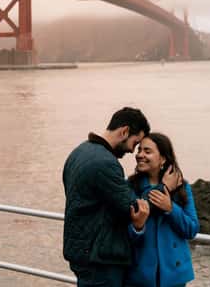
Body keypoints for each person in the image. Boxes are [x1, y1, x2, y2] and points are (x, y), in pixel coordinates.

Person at [63, 107, 152, 286]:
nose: (132, 151)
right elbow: (132, 208)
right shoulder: (106, 163)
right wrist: (164, 188)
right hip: (99, 259)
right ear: (124, 131)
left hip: (81, 252)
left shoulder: (79, 152)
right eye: (135, 143)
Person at [125, 133, 199, 287]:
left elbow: (191, 229)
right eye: (139, 150)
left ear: (163, 159)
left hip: (174, 275)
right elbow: (124, 233)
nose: (140, 155)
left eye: (147, 151)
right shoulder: (130, 186)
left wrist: (170, 209)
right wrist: (138, 227)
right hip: (140, 275)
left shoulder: (182, 187)